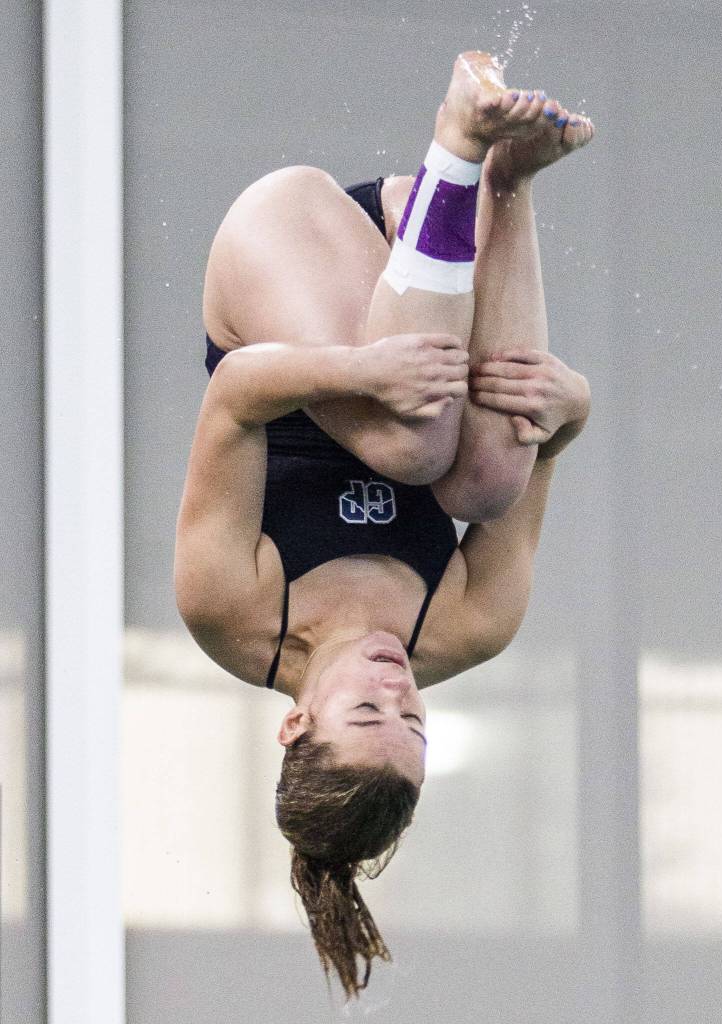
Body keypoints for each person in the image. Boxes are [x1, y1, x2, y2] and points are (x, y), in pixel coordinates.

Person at [174, 51, 594, 998]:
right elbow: (543, 447)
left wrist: (360, 376)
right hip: (424, 289)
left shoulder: (231, 611)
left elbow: (236, 396)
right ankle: (506, 178)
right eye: (413, 718)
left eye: (367, 711)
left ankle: (456, 143)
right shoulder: (469, 626)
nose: (397, 687)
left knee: (411, 446)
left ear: (295, 725)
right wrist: (573, 405)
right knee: (485, 478)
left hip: (286, 255)